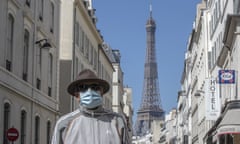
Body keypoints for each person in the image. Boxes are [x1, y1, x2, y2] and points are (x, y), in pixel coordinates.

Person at [51, 69, 128, 144]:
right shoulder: (64, 124)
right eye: (83, 87)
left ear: (101, 92)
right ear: (77, 95)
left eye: (95, 87)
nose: (89, 91)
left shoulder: (117, 121)